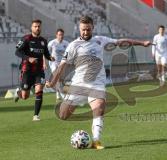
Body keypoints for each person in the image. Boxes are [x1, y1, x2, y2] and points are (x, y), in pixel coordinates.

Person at [45, 15, 151, 149]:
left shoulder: (100, 40)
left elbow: (120, 42)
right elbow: (61, 67)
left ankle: (96, 141)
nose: (85, 32)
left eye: (88, 29)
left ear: (92, 28)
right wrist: (52, 81)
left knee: (99, 108)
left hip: (97, 83)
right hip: (79, 84)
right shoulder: (73, 46)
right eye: (83, 29)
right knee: (63, 115)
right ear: (79, 28)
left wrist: (142, 43)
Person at [14, 19, 55, 121]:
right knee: (25, 96)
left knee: (39, 90)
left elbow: (45, 53)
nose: (37, 28)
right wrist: (29, 58)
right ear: (31, 28)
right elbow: (17, 52)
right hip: (27, 70)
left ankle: (36, 115)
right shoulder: (26, 39)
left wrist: (50, 58)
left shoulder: (43, 41)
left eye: (39, 26)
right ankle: (18, 92)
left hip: (39, 71)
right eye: (35, 26)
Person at [48, 28, 69, 101]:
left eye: (62, 35)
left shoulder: (66, 44)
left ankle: (57, 92)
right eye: (59, 35)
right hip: (53, 63)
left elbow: (69, 53)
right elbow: (46, 53)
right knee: (57, 77)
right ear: (56, 35)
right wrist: (49, 57)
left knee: (61, 79)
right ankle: (62, 94)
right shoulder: (52, 43)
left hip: (62, 63)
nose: (61, 36)